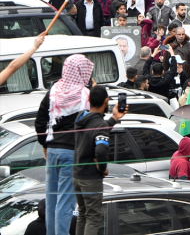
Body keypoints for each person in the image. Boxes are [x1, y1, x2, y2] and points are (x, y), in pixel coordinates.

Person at [35, 54, 94, 235]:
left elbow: (39, 122)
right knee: (66, 201)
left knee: (51, 199)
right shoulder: (85, 95)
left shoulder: (53, 91)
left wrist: (45, 144)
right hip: (72, 153)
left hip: (52, 151)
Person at [73, 85, 127, 235]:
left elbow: (97, 131)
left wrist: (114, 118)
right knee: (93, 217)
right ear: (106, 101)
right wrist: (102, 168)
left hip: (77, 175)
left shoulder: (81, 118)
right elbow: (101, 149)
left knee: (82, 214)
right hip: (91, 178)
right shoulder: (99, 124)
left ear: (89, 100)